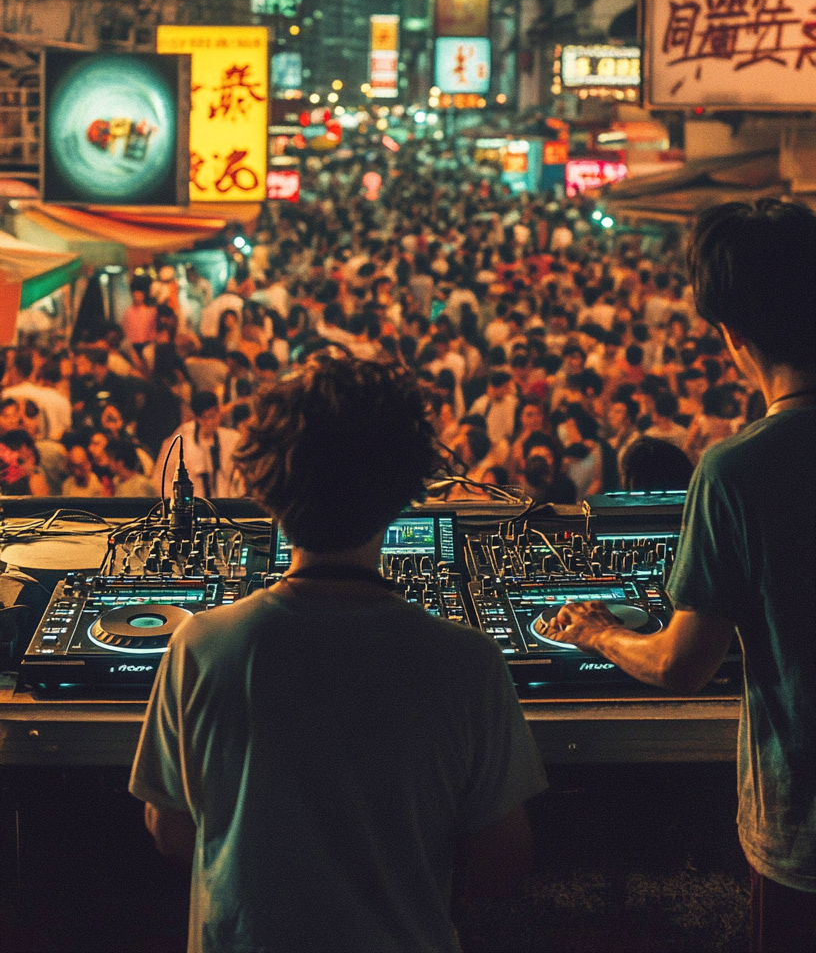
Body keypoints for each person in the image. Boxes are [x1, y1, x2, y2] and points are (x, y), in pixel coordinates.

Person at [131, 353, 545, 953]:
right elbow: (501, 864)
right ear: (407, 486)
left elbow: (169, 831)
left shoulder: (198, 645)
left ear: (263, 483)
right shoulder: (468, 662)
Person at [540, 200, 816, 953]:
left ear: (733, 336)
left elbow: (680, 664)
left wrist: (599, 632)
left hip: (804, 840)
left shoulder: (738, 470)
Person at [155, 391, 240, 499]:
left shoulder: (232, 438)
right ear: (197, 418)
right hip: (191, 504)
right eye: (206, 418)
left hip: (224, 503)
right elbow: (162, 478)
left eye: (214, 416)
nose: (211, 422)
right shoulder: (181, 438)